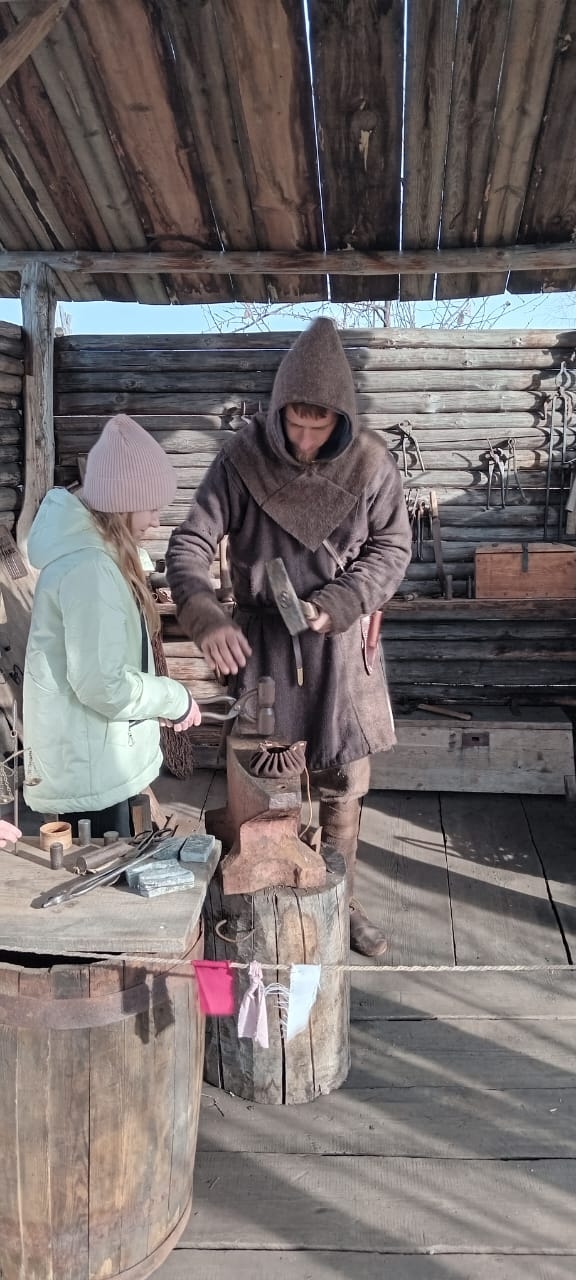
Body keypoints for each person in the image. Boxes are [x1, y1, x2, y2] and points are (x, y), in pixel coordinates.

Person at [166, 319, 412, 955]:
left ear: (341, 419)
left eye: (318, 427)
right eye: (294, 425)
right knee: (266, 779)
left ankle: (341, 898)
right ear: (278, 411)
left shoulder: (372, 464)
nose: (303, 440)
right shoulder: (241, 458)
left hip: (341, 645)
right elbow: (189, 544)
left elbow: (392, 549)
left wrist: (341, 601)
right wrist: (206, 615)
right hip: (266, 648)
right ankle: (267, 901)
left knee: (343, 781)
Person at [23, 414, 201, 838]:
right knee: (103, 872)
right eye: (152, 507)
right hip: (90, 773)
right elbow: (102, 685)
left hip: (98, 759)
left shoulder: (100, 559)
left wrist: (153, 709)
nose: (157, 521)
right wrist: (173, 698)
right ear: (122, 503)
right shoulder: (89, 570)